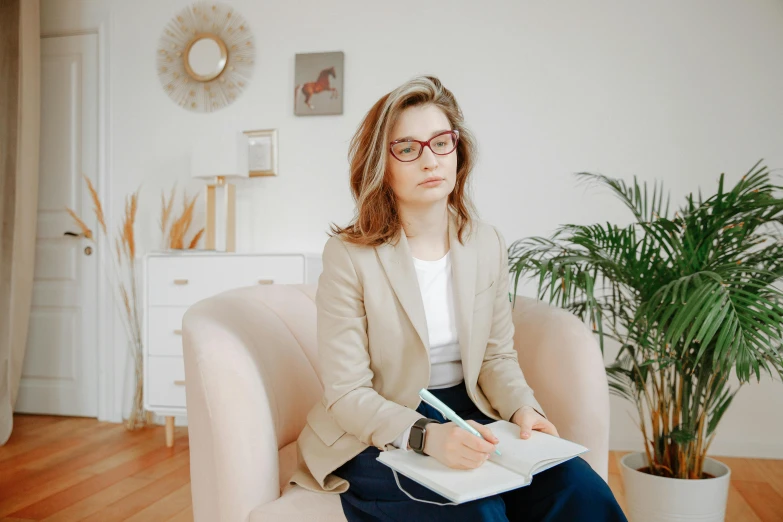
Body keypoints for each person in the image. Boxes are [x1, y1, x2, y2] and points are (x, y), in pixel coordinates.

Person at [289, 75, 627, 521]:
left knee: (580, 488)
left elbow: (495, 357)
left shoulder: (485, 243)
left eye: (441, 143)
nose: (429, 159)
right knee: (478, 510)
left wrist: (523, 409)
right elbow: (348, 393)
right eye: (407, 148)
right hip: (377, 429)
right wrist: (428, 436)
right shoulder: (350, 256)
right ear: (382, 165)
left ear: (458, 152)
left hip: (471, 412)